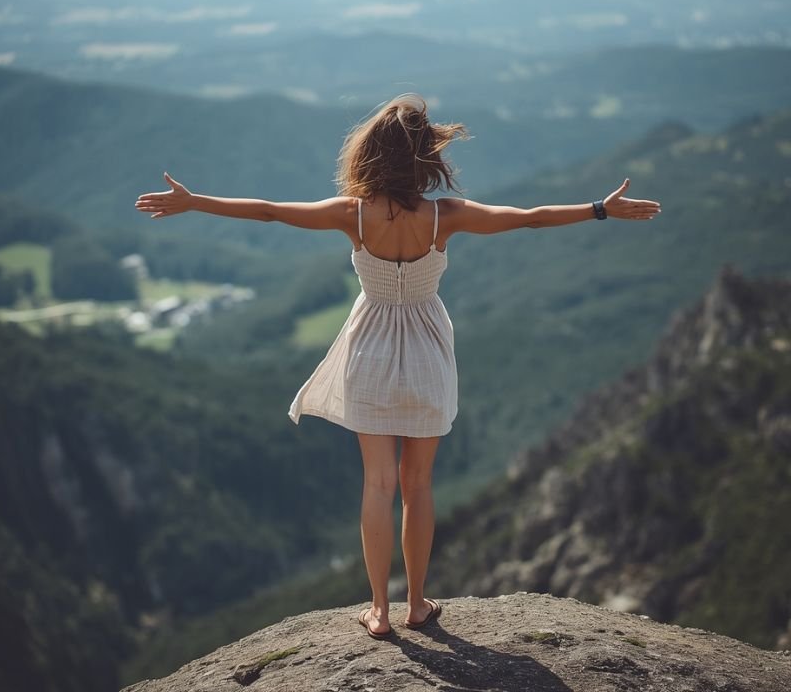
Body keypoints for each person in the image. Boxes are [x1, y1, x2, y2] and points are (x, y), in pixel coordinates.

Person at [134, 93, 661, 639]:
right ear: (424, 158)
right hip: (428, 353)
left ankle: (379, 611)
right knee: (418, 486)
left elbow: (269, 210)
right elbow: (528, 220)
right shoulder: (444, 216)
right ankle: (416, 604)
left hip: (369, 353)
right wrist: (599, 209)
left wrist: (194, 202)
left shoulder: (353, 214)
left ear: (372, 154)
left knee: (378, 485)